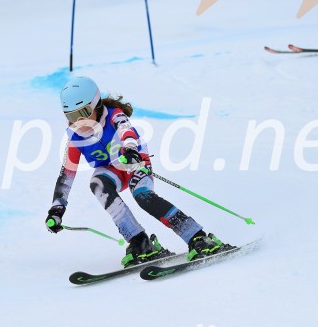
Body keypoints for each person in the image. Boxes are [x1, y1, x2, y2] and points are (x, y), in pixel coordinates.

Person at [45, 77, 234, 267]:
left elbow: (127, 131)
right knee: (97, 183)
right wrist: (57, 209)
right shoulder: (75, 138)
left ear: (96, 104)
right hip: (112, 171)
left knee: (142, 195)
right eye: (71, 116)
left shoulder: (114, 115)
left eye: (84, 112)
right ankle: (139, 241)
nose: (80, 122)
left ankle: (197, 237)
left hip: (133, 162)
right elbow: (66, 175)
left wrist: (130, 149)